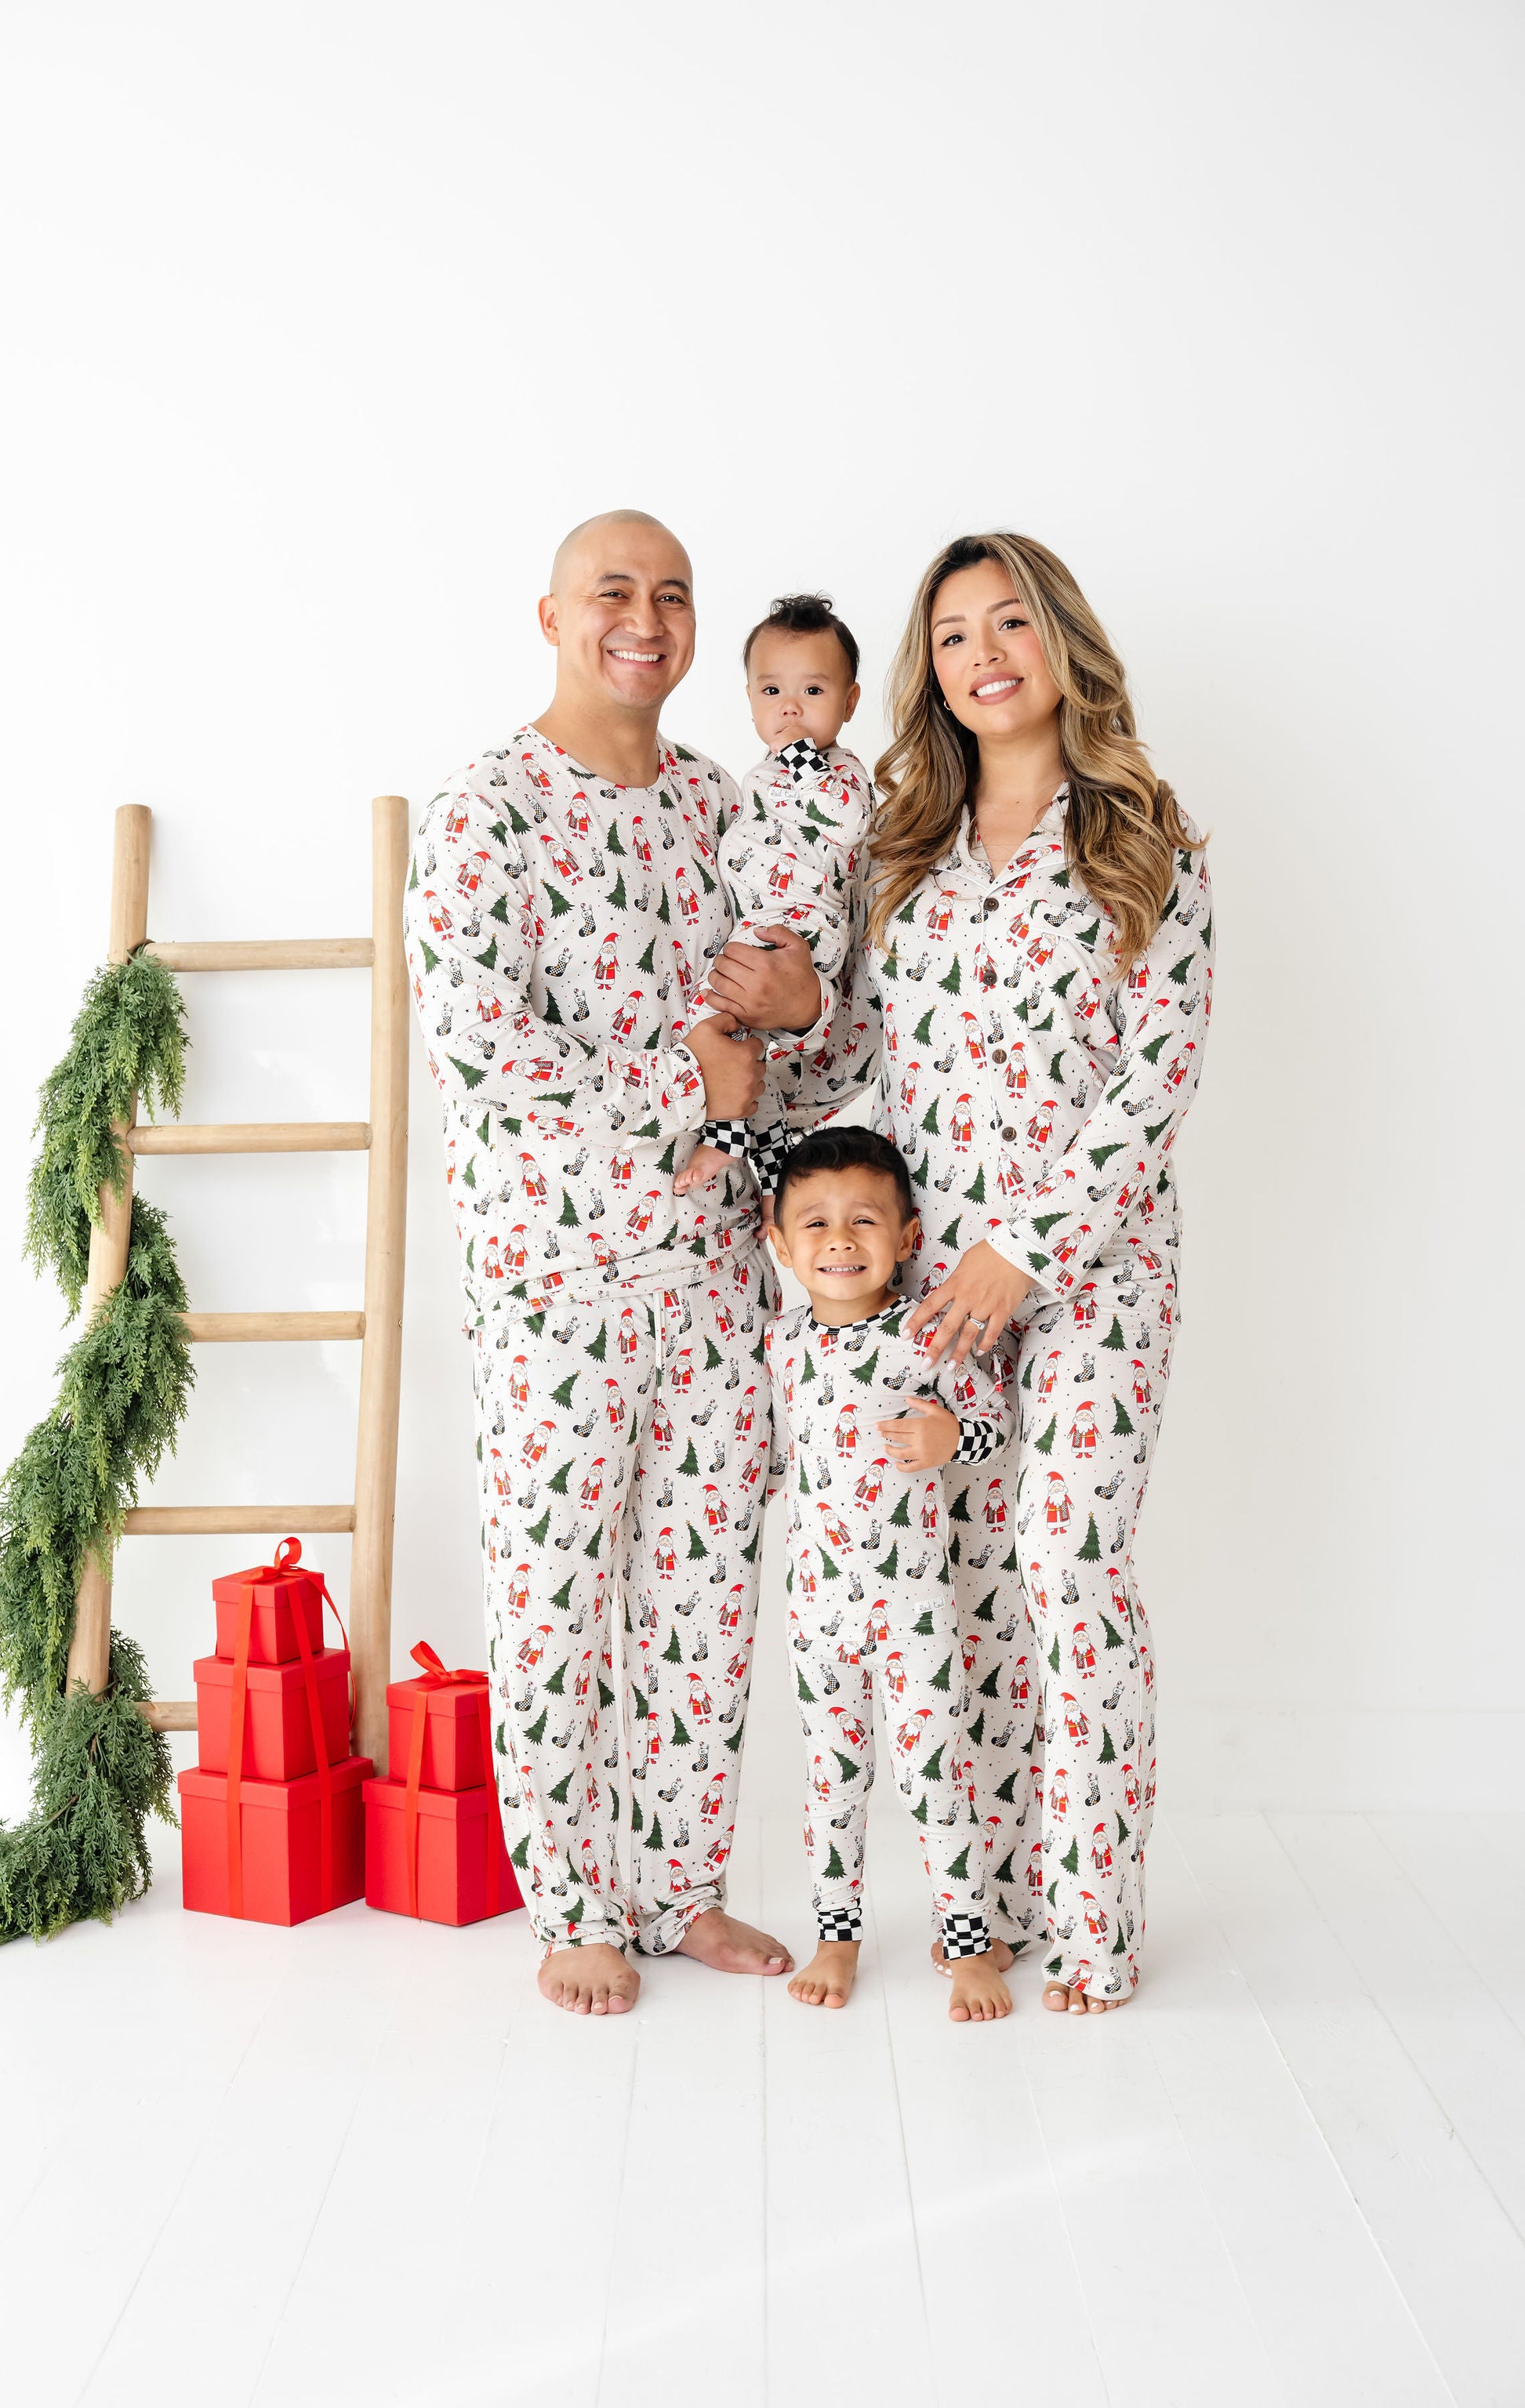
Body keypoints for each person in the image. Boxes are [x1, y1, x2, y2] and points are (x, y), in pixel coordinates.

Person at [405, 509, 831, 2015]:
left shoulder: (727, 807)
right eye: (610, 592)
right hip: (556, 1284)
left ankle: (680, 1885)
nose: (642, 619)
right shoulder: (483, 812)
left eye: (670, 595)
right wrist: (687, 1086)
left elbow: (789, 1045)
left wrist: (802, 1004)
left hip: (719, 1276)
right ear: (546, 615)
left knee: (705, 1583)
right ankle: (573, 1903)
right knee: (558, 1588)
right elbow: (485, 1053)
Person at [862, 531, 1214, 2015]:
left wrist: (1026, 1246)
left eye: (1009, 621)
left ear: (1060, 641)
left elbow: (1155, 1076)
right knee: (957, 1597)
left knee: (1069, 1572)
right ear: (928, 670)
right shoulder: (901, 852)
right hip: (931, 1286)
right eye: (952, 634)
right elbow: (869, 1063)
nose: (982, 651)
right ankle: (974, 1909)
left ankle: (1091, 1920)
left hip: (1093, 1275)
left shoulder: (1146, 840)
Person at [762, 1126, 1015, 2019]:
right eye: (816, 1224)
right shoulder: (779, 1347)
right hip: (817, 1610)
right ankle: (837, 1938)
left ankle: (970, 1945)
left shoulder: (924, 1335)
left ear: (906, 1236)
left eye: (863, 1221)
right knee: (831, 1780)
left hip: (912, 1611)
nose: (839, 1241)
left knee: (936, 1776)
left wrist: (953, 1437)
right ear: (779, 1240)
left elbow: (996, 1427)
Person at [675, 593, 875, 1196]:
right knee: (739, 1044)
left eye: (812, 692)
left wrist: (801, 759)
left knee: (715, 1025)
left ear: (849, 701)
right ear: (749, 700)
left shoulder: (839, 771)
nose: (789, 707)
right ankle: (770, 1152)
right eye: (771, 692)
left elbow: (847, 820)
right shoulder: (758, 774)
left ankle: (726, 1135)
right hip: (761, 922)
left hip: (803, 927)